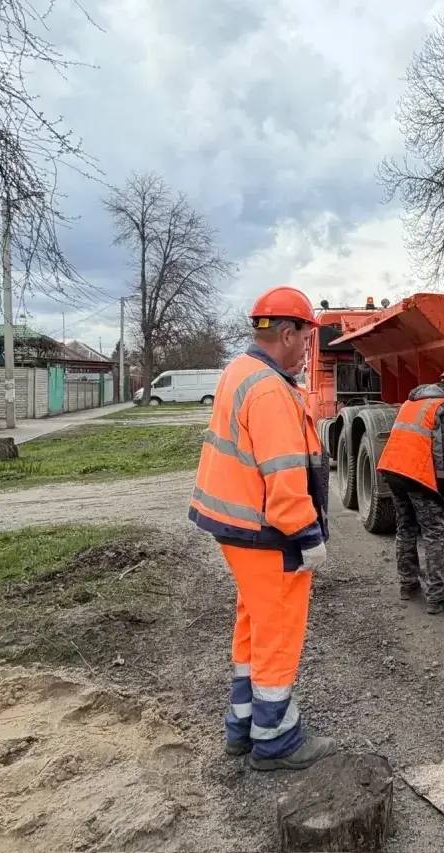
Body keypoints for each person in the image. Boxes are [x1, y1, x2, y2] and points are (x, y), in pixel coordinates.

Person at [189, 285, 336, 771]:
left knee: (253, 623)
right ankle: (275, 742)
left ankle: (243, 726)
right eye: (306, 339)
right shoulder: (272, 389)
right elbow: (284, 475)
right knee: (278, 631)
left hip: (237, 527)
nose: (307, 351)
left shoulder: (241, 371)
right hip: (267, 531)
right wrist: (308, 535)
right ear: (288, 333)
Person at [377, 365, 444, 615]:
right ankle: (436, 597)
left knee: (406, 527)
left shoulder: (413, 401)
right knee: (434, 532)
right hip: (416, 475)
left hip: (393, 470)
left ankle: (408, 586)